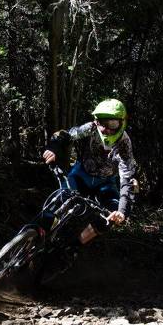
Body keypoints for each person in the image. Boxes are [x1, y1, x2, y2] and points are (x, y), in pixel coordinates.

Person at [42, 98, 137, 245]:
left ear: (121, 122)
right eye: (101, 122)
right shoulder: (92, 128)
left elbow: (128, 179)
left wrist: (122, 211)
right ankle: (38, 236)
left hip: (105, 184)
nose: (105, 129)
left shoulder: (124, 143)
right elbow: (66, 134)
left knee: (108, 219)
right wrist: (53, 148)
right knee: (61, 199)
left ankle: (74, 245)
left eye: (112, 124)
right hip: (81, 175)